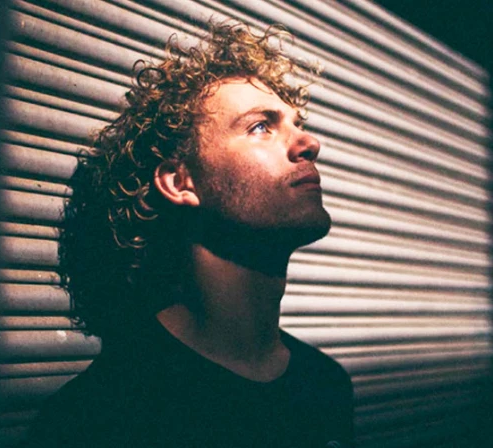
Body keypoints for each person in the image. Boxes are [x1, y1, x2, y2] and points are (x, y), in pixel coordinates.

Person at [22, 20, 354, 448]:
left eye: (296, 123)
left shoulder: (324, 386)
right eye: (260, 126)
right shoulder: (100, 417)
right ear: (181, 183)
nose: (309, 143)